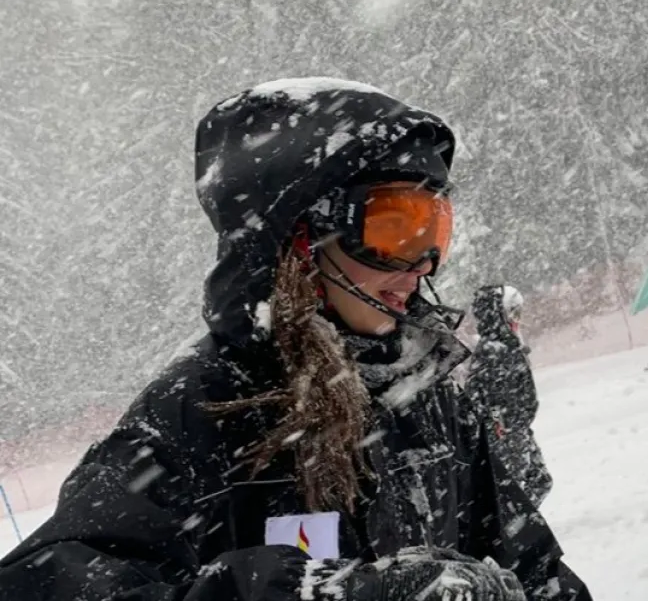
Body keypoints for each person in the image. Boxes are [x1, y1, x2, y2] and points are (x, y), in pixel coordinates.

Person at [0, 78, 591, 601]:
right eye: (395, 229)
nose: (422, 266)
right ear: (298, 238)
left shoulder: (423, 393)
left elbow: (534, 564)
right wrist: (311, 590)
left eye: (435, 229)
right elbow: (42, 583)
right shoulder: (200, 411)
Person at [464, 285, 553, 507]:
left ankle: (519, 526)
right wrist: (503, 431)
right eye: (513, 313)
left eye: (518, 313)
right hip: (506, 433)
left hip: (517, 428)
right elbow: (490, 402)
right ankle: (512, 530)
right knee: (511, 491)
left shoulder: (506, 346)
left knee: (540, 481)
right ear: (498, 314)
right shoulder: (493, 353)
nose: (517, 319)